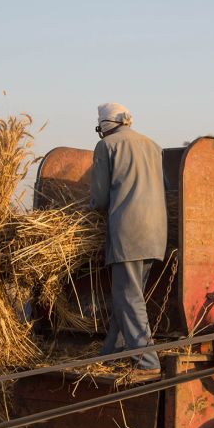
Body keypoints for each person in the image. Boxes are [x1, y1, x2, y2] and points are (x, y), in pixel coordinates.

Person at [90, 102, 167, 380]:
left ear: (105, 125)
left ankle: (147, 362)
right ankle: (112, 353)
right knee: (129, 296)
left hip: (128, 231)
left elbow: (99, 199)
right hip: (157, 232)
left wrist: (85, 210)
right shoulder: (153, 145)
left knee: (127, 296)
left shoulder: (107, 146)